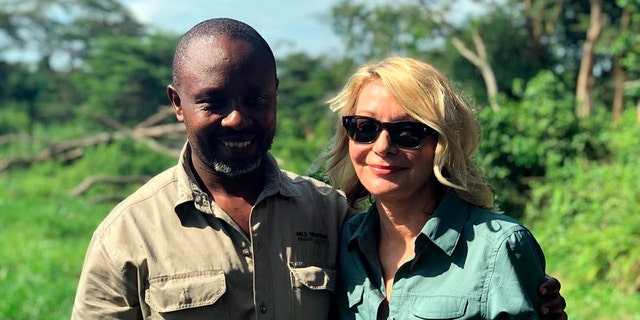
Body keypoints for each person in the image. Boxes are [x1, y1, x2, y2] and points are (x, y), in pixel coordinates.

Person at [72, 18, 566, 319]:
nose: (237, 117)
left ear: (276, 96)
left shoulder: (333, 217)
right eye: (364, 128)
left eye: (256, 98)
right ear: (177, 104)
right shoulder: (127, 234)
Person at [321, 56, 566, 319]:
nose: (382, 147)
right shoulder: (341, 243)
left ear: (442, 143)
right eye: (365, 128)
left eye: (407, 132)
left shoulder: (497, 250)